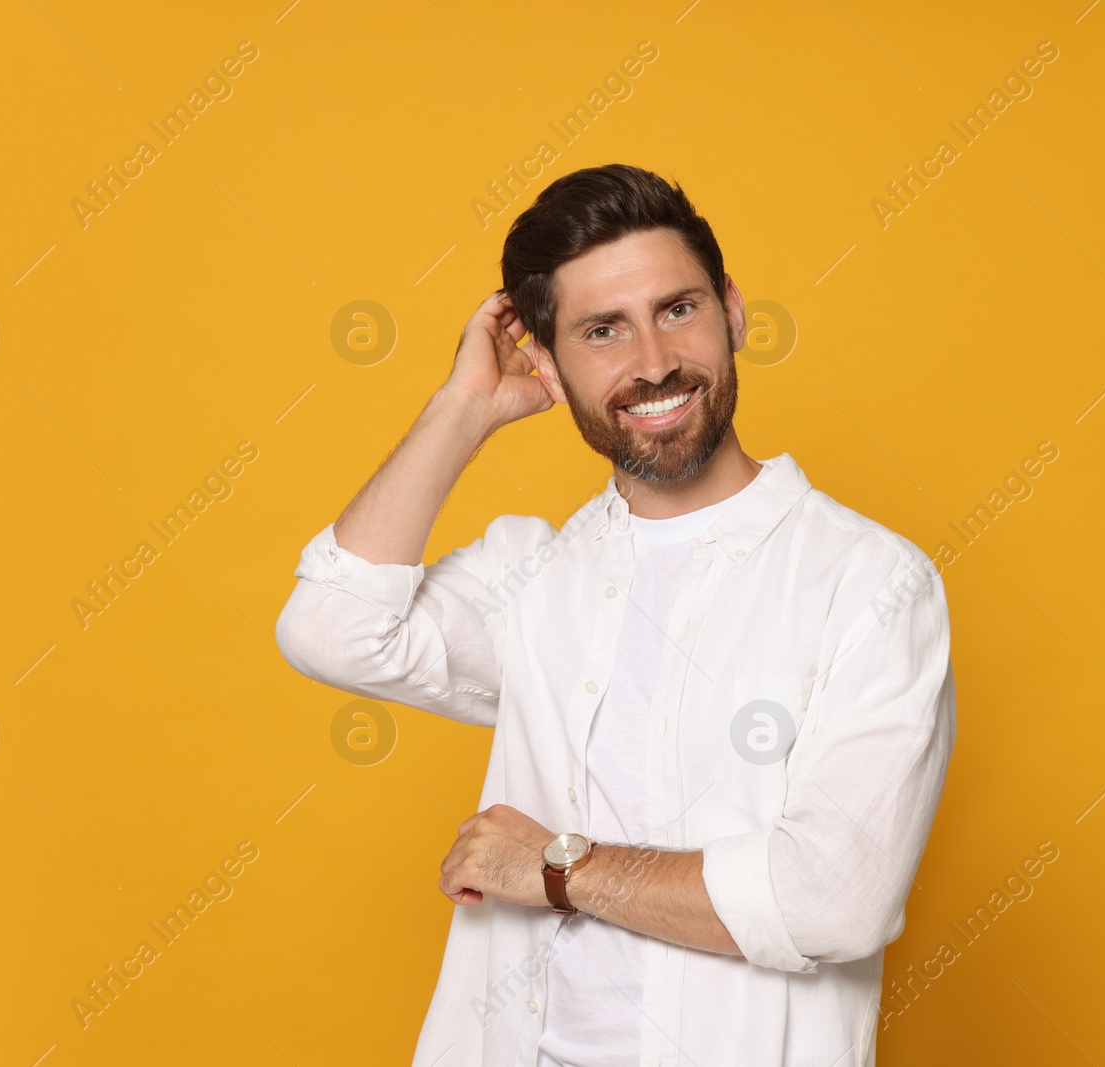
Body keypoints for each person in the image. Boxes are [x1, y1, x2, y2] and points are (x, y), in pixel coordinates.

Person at [275, 163, 956, 1067]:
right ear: (549, 365)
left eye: (678, 309)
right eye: (603, 331)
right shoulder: (537, 574)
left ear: (734, 312)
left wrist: (556, 867)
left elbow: (829, 900)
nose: (654, 362)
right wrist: (463, 409)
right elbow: (330, 626)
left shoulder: (871, 583)